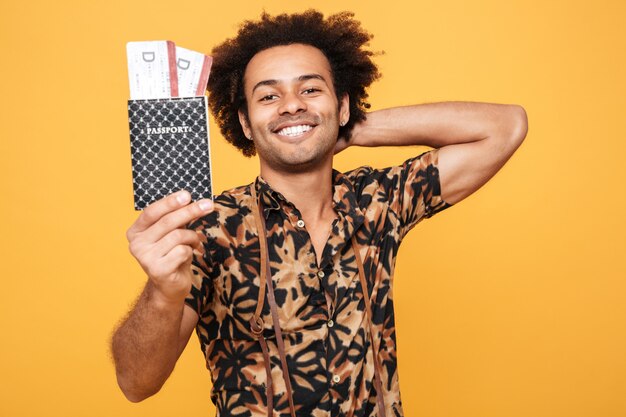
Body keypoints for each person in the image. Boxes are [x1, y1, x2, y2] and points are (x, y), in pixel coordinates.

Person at [111, 10, 528, 417]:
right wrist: (162, 292)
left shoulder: (376, 203)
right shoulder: (206, 229)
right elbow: (136, 383)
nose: (291, 105)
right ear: (244, 121)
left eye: (310, 90)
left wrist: (345, 127)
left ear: (342, 104)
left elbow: (506, 126)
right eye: (269, 96)